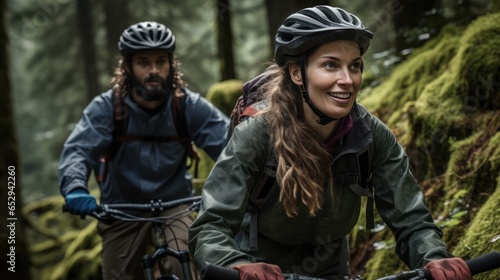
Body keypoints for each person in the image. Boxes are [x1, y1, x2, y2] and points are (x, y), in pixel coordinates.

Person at [188, 6, 471, 280]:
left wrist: (433, 257)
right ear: (297, 73)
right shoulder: (256, 135)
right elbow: (210, 226)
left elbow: (411, 219)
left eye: (355, 66)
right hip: (258, 267)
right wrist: (234, 263)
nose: (347, 80)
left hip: (331, 268)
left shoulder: (371, 136)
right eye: (330, 65)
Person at [59, 21, 229, 280]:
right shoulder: (107, 108)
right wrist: (74, 188)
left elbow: (231, 148)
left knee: (186, 264)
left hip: (176, 205)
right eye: (143, 63)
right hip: (122, 207)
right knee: (117, 274)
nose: (154, 71)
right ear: (127, 67)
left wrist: (250, 184)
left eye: (161, 61)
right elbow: (79, 151)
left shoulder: (187, 106)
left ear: (172, 65)